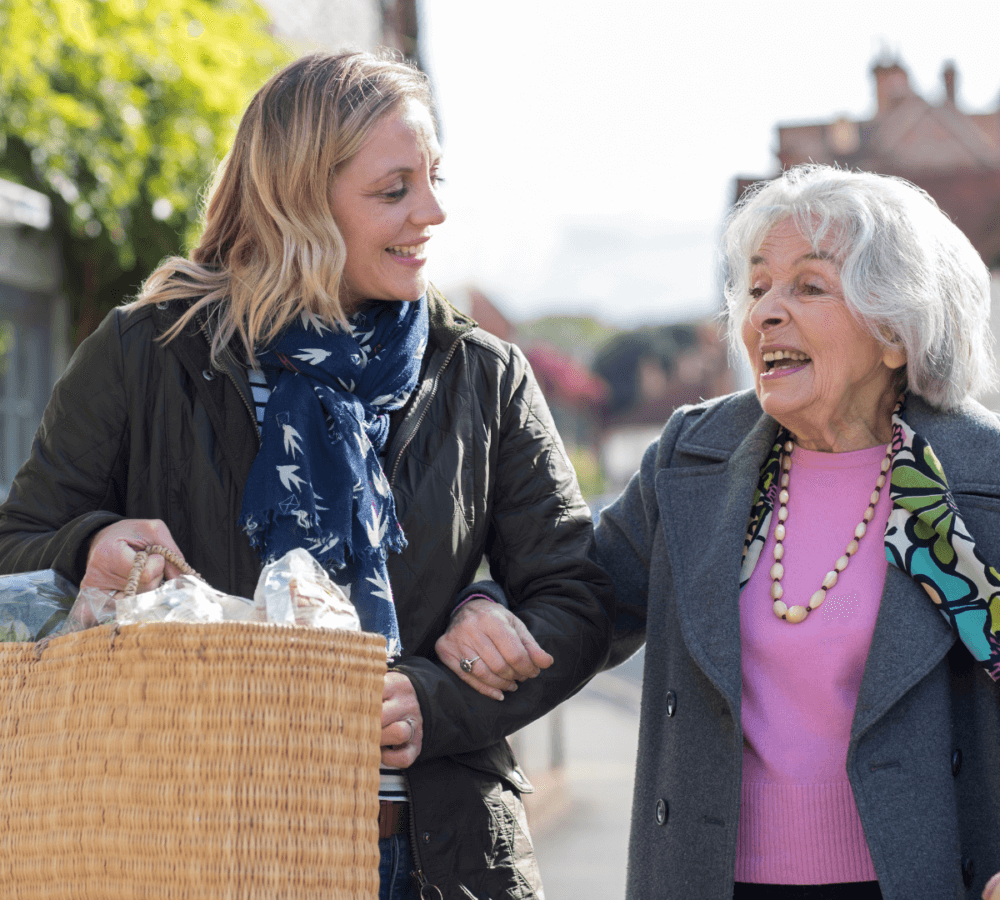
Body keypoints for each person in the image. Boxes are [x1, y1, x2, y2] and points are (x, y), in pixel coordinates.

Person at [0, 51, 613, 900]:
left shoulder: (483, 374)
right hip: (185, 850)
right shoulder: (147, 355)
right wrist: (88, 546)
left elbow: (577, 597)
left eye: (433, 178)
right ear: (296, 200)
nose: (432, 212)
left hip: (435, 858)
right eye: (393, 190)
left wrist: (436, 698)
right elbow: (14, 554)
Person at [438, 164, 1000, 899]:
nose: (766, 312)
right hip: (711, 880)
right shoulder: (694, 458)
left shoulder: (978, 476)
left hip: (923, 879)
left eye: (808, 286)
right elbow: (579, 604)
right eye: (757, 285)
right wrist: (484, 610)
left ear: (895, 329)